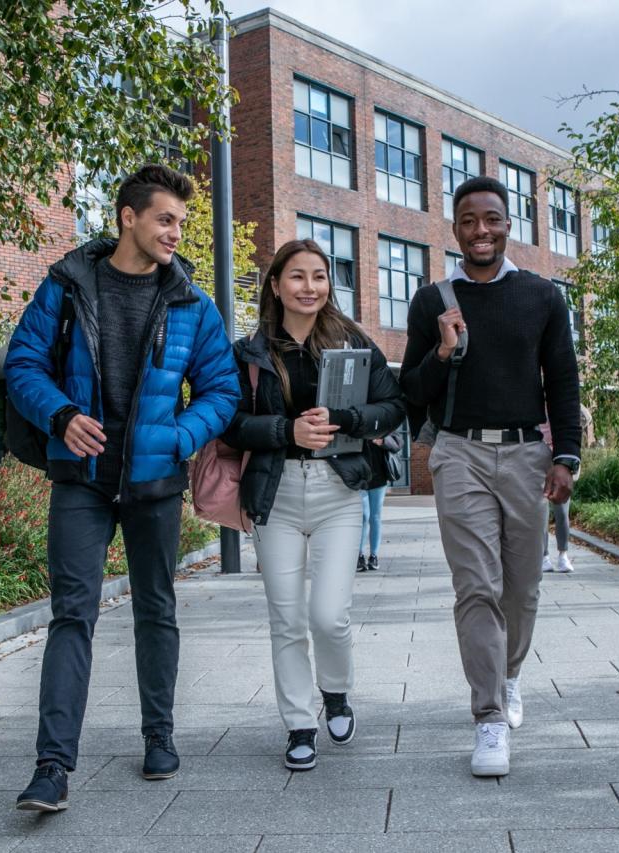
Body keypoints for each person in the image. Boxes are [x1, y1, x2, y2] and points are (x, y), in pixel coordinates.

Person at [5, 164, 241, 811]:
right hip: (80, 479)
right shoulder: (67, 283)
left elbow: (223, 389)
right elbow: (22, 362)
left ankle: (159, 734)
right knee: (71, 615)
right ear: (127, 217)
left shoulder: (193, 302)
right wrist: (59, 413)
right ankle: (52, 765)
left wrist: (180, 435)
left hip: (154, 480)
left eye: (182, 223)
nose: (176, 232)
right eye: (166, 219)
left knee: (155, 609)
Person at [400, 176, 580, 778]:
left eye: (493, 219)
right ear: (455, 230)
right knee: (476, 586)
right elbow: (411, 395)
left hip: (528, 452)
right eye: (470, 221)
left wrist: (567, 456)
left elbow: (561, 380)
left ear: (510, 225)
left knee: (521, 589)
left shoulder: (542, 297)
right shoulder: (434, 300)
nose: (482, 230)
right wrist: (443, 352)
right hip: (460, 453)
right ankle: (489, 719)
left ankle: (509, 675)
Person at [221, 239, 405, 770]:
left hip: (338, 492)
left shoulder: (352, 343)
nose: (310, 287)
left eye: (320, 276)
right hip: (275, 495)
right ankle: (300, 724)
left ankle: (337, 692)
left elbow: (392, 407)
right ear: (275, 285)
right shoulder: (249, 353)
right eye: (297, 277)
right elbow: (228, 423)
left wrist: (348, 422)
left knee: (329, 616)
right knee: (286, 619)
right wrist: (286, 429)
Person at [358, 432, 402, 572]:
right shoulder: (357, 423)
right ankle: (359, 555)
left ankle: (373, 556)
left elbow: (398, 444)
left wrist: (383, 441)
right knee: (364, 516)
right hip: (360, 479)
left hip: (379, 479)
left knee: (375, 517)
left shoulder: (382, 423)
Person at [538, 416, 576, 574]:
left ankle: (563, 554)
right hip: (538, 460)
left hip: (560, 461)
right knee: (541, 511)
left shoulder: (559, 403)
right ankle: (544, 555)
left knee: (562, 511)